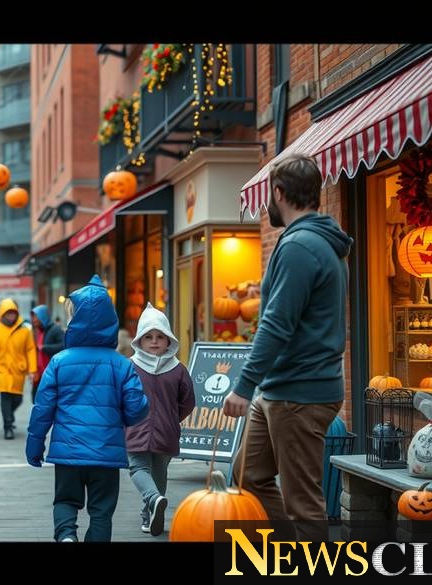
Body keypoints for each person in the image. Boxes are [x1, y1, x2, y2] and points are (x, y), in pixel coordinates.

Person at [222, 154, 351, 542]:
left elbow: (277, 324)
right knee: (249, 476)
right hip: (282, 388)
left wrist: (244, 387)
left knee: (303, 503)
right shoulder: (310, 243)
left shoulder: (301, 246)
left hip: (300, 392)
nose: (267, 203)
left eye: (268, 195)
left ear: (279, 193)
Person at [26, 275, 149, 542]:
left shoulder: (59, 361)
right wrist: (125, 415)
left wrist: (34, 444)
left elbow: (42, 408)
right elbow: (137, 409)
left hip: (67, 450)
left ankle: (67, 535)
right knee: (102, 511)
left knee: (66, 501)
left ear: (74, 321)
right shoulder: (122, 364)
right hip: (106, 452)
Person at [125, 303, 195, 536]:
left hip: (151, 428)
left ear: (169, 340)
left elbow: (187, 400)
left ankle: (153, 502)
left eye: (159, 337)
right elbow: (188, 403)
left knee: (141, 471)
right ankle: (152, 512)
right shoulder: (130, 367)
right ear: (140, 340)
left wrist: (172, 419)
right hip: (143, 428)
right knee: (151, 472)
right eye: (148, 337)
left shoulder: (178, 370)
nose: (154, 341)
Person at [0, 299, 37, 440]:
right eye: (8, 313)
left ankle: (9, 416)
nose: (11, 316)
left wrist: (32, 370)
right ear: (2, 314)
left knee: (18, 399)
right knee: (5, 397)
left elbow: (30, 350)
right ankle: (8, 426)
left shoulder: (25, 331)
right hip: (0, 370)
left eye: (13, 313)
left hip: (18, 370)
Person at [30, 305, 64, 404]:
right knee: (36, 400)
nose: (34, 320)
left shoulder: (55, 330)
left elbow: (63, 346)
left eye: (36, 317)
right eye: (33, 317)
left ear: (42, 316)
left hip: (50, 372)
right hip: (38, 374)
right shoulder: (36, 331)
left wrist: (45, 348)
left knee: (47, 401)